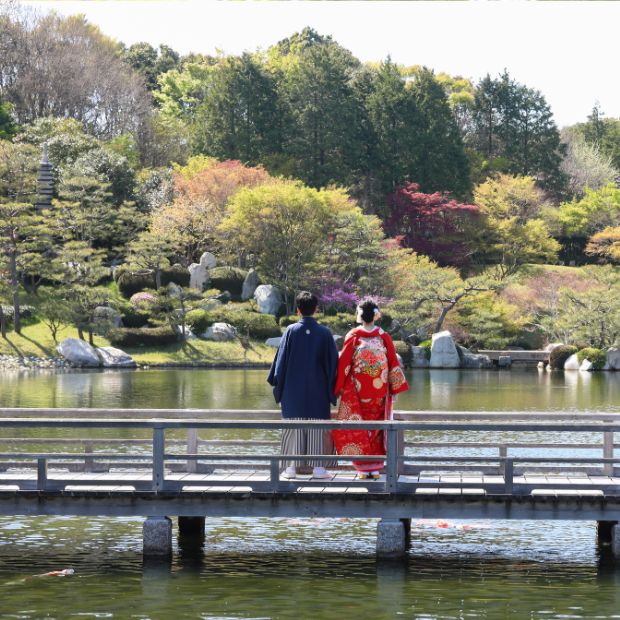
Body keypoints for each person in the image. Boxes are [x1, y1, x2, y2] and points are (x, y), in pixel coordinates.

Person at [332, 298, 409, 479]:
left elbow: (344, 364)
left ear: (359, 315)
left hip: (359, 391)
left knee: (360, 427)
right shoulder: (384, 336)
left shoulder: (353, 336)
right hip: (379, 390)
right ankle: (374, 468)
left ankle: (362, 469)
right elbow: (392, 363)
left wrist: (339, 387)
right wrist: (394, 389)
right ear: (376, 315)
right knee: (377, 428)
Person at [267, 291, 339, 479]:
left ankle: (290, 469)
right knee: (317, 429)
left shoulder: (290, 331)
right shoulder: (324, 333)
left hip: (293, 391)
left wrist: (279, 386)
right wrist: (332, 390)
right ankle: (319, 470)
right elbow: (333, 365)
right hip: (319, 391)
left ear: (298, 310)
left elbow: (280, 363)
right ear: (316, 309)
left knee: (294, 428)